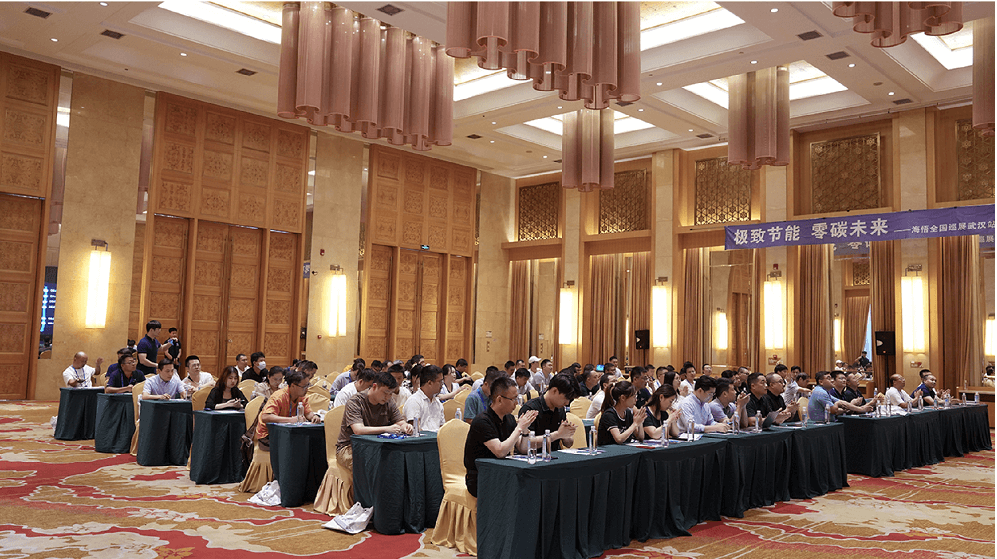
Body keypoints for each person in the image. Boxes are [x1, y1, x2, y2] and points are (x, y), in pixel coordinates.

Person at [464, 375, 538, 497]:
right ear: (499, 399)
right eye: (513, 399)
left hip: (503, 472)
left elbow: (523, 448)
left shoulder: (509, 418)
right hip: (481, 477)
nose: (516, 403)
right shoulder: (482, 421)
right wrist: (519, 427)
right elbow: (500, 451)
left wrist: (525, 430)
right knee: (522, 490)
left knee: (532, 484)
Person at [336, 371, 412, 472]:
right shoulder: (355, 402)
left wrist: (406, 426)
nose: (388, 397)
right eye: (385, 393)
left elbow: (400, 422)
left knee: (401, 459)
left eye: (390, 394)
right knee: (375, 463)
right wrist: (387, 429)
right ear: (374, 386)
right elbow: (358, 430)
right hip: (350, 447)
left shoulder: (389, 402)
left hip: (377, 447)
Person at [256, 367, 321, 447]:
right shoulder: (279, 396)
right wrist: (291, 420)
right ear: (293, 386)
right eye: (304, 387)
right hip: (269, 435)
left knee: (315, 441)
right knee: (299, 445)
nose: (307, 389)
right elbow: (265, 417)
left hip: (287, 432)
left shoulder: (302, 396)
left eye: (307, 386)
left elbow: (307, 413)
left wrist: (314, 417)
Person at [518, 372, 579, 451]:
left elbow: (568, 444)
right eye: (566, 398)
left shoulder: (560, 409)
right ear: (554, 391)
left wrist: (566, 435)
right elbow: (525, 445)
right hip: (534, 456)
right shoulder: (530, 409)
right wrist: (556, 435)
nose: (567, 403)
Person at [808, 371, 873, 422]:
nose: (832, 380)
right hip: (821, 425)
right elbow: (834, 410)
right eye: (829, 378)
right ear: (821, 382)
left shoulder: (823, 391)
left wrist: (861, 409)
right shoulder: (821, 392)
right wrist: (837, 404)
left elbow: (842, 402)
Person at [597, 380, 646, 445]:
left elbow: (640, 437)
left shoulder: (628, 413)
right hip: (608, 450)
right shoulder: (609, 414)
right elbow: (619, 439)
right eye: (634, 397)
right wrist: (635, 424)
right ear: (623, 397)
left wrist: (640, 422)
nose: (636, 400)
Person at [405, 365, 446, 431]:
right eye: (440, 381)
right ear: (429, 383)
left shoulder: (437, 402)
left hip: (437, 436)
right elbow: (415, 429)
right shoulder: (414, 401)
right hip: (423, 437)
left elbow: (442, 427)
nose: (442, 385)